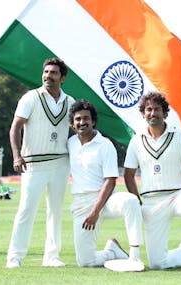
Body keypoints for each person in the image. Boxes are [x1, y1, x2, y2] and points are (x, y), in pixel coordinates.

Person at [124, 91, 181, 274]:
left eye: (157, 109)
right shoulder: (136, 140)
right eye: (148, 110)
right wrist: (136, 200)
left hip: (178, 196)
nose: (152, 113)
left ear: (165, 113)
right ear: (143, 113)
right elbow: (128, 174)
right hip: (151, 202)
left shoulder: (180, 135)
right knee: (157, 263)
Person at [6, 58, 75, 269]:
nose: (48, 76)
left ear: (62, 78)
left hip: (60, 163)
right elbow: (15, 128)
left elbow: (78, 129)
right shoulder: (30, 97)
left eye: (53, 73)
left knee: (55, 211)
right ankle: (14, 257)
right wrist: (17, 156)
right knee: (26, 209)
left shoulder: (70, 102)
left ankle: (51, 256)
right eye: (46, 72)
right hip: (33, 163)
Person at [67, 99, 144, 272]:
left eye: (86, 118)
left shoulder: (105, 145)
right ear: (72, 124)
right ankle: (111, 251)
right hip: (81, 204)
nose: (82, 122)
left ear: (93, 121)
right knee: (85, 262)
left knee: (131, 201)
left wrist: (95, 211)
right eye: (78, 119)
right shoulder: (70, 143)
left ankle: (135, 256)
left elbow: (110, 181)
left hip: (106, 200)